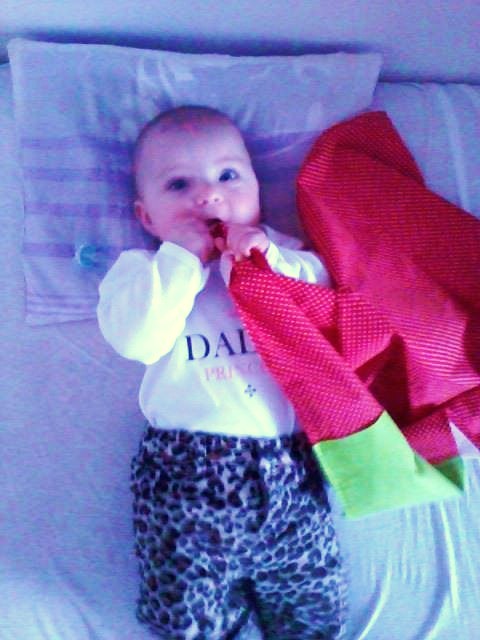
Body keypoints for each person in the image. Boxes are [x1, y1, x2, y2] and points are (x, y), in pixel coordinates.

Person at [97, 105, 347, 640]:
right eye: (179, 184)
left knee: (317, 611)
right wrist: (182, 261)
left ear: (257, 190)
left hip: (291, 468)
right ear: (146, 217)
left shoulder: (284, 254)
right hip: (185, 476)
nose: (208, 196)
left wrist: (266, 258)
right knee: (187, 621)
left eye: (228, 176)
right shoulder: (143, 272)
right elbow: (137, 341)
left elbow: (324, 303)